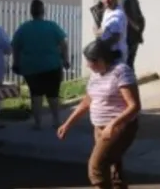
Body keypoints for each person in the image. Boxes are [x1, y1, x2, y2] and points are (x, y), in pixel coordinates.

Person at [57, 39, 142, 189]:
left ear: (102, 60)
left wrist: (113, 124)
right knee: (112, 166)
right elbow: (87, 101)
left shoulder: (121, 71)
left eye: (91, 61)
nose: (88, 65)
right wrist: (68, 123)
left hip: (119, 127)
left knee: (96, 166)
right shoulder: (96, 75)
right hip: (99, 127)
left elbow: (134, 106)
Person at [12, 0, 70, 130]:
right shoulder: (52, 26)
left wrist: (16, 62)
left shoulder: (23, 28)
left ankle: (37, 123)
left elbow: (15, 46)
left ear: (31, 12)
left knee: (36, 94)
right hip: (52, 66)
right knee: (53, 94)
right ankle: (56, 121)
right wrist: (66, 59)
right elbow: (63, 44)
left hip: (31, 67)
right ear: (43, 11)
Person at [95, 0, 129, 66]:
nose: (107, 0)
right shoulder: (108, 10)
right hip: (110, 52)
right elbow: (105, 30)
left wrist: (101, 47)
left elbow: (115, 37)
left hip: (116, 54)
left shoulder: (116, 15)